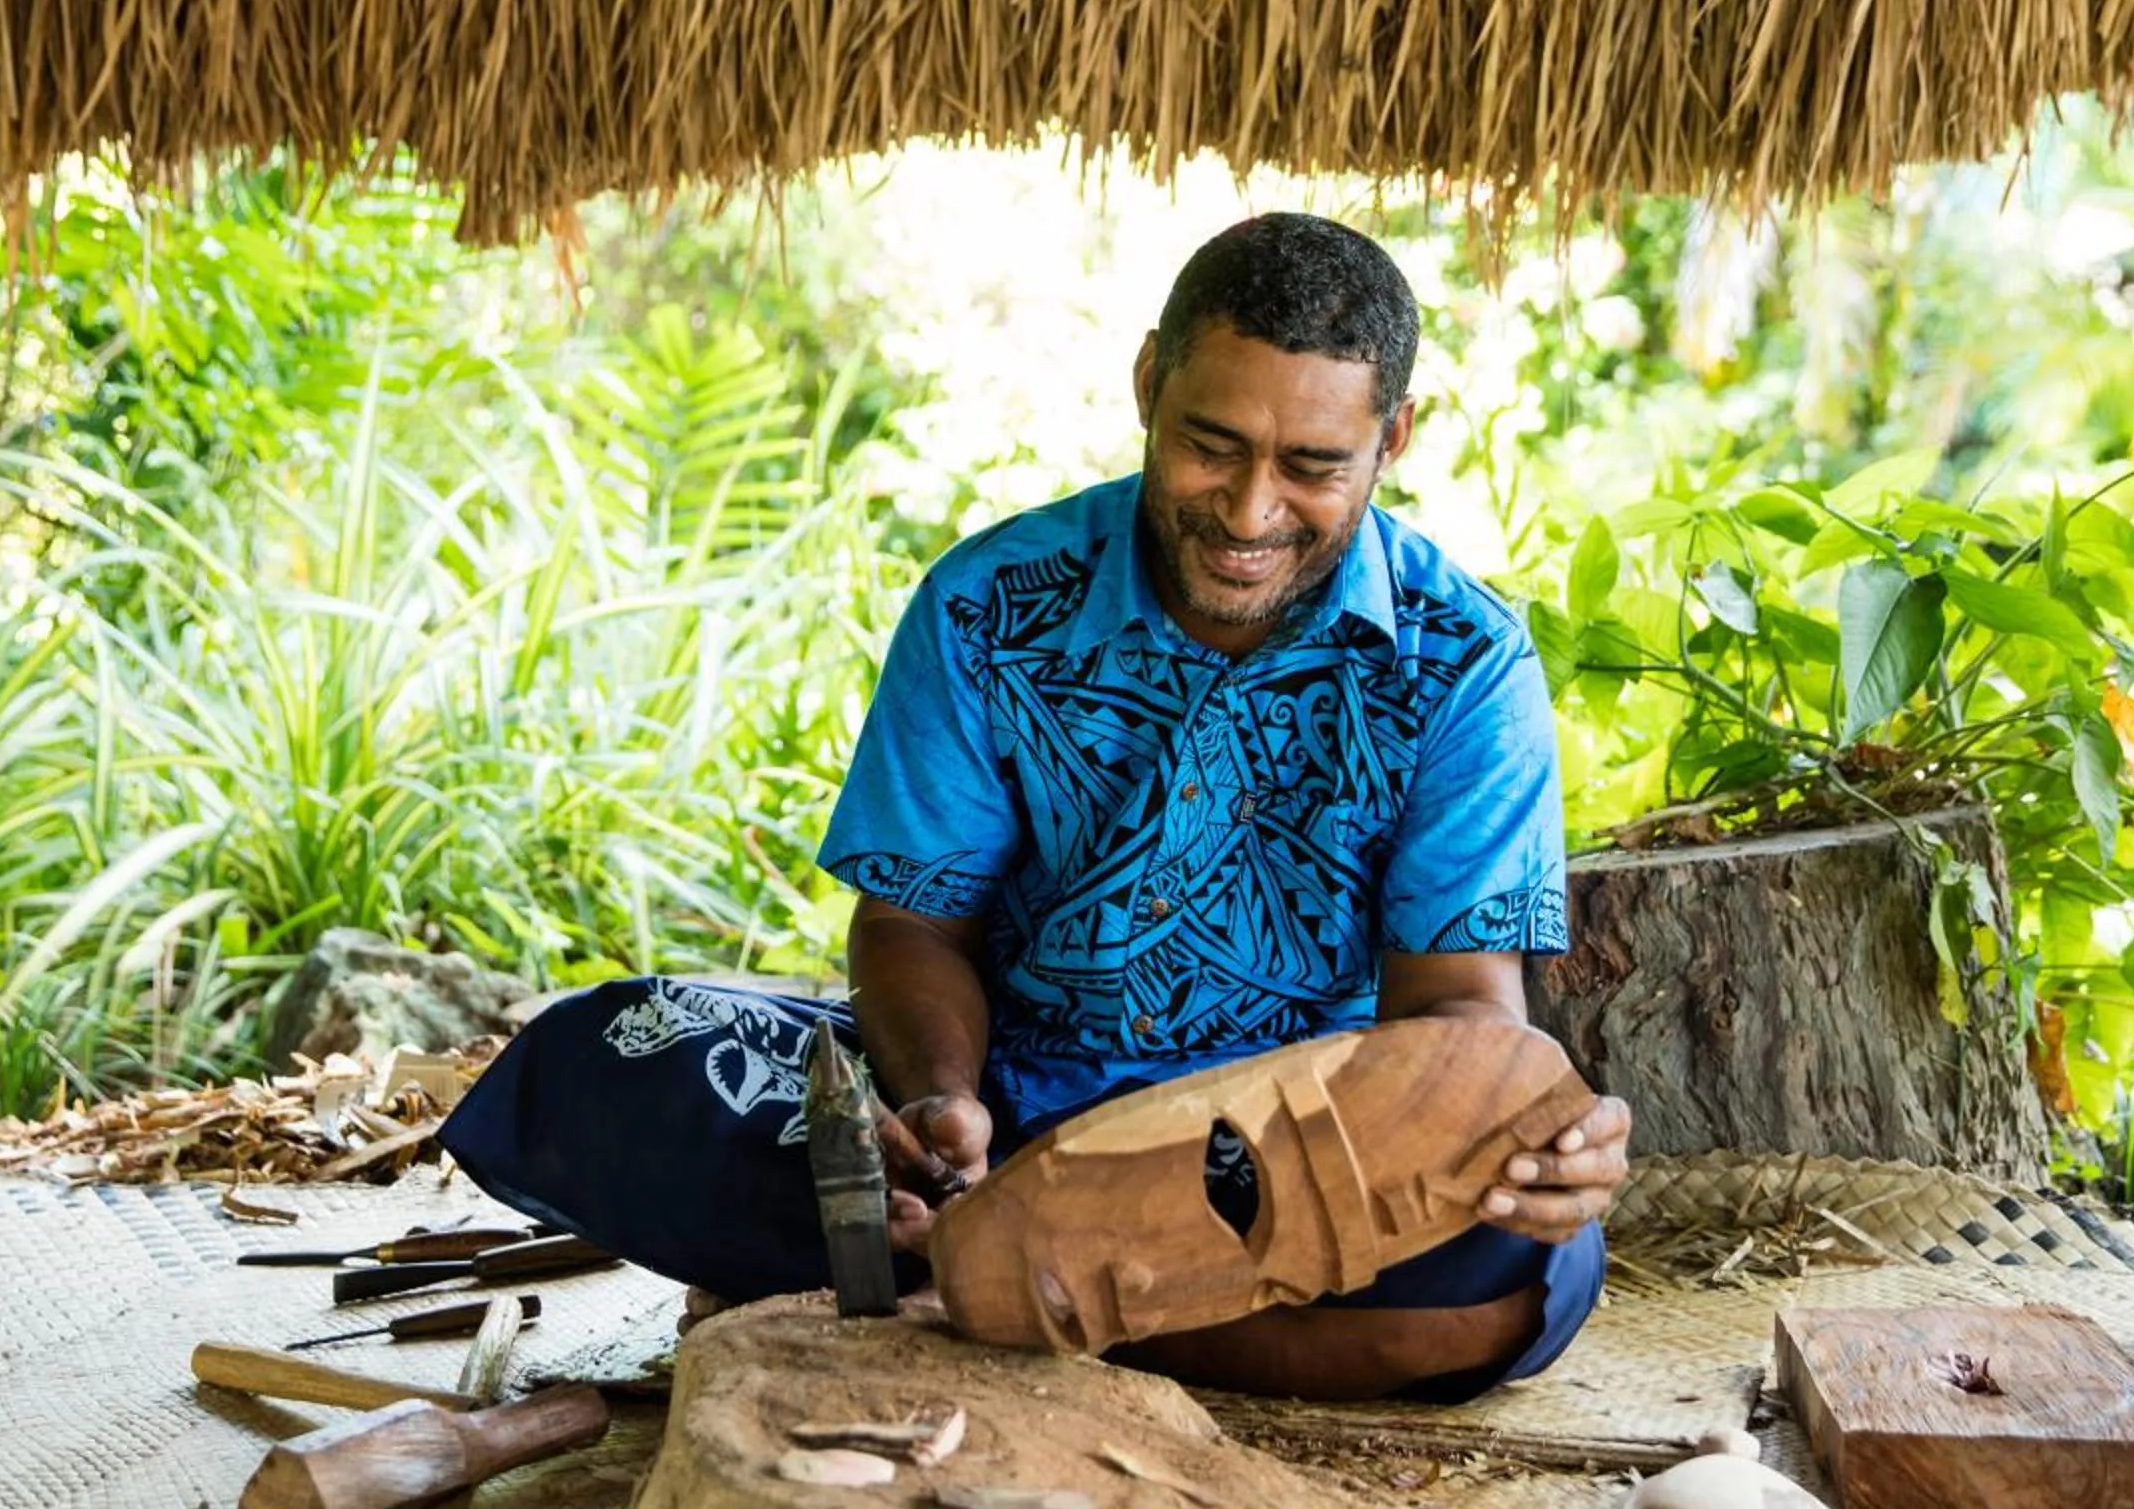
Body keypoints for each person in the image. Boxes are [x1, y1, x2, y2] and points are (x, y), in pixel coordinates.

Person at [438, 212, 1630, 1400]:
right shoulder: (985, 603)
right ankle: (1037, 1272)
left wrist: (1531, 1132)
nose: (1252, 510)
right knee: (611, 1056)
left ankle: (965, 1294)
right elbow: (916, 923)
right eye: (1211, 444)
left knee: (1528, 1257)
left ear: (1393, 438)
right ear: (1149, 382)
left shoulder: (1463, 659)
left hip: (1268, 1163)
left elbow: (1461, 1014)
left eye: (1312, 467)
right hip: (1001, 1131)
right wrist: (938, 1099)